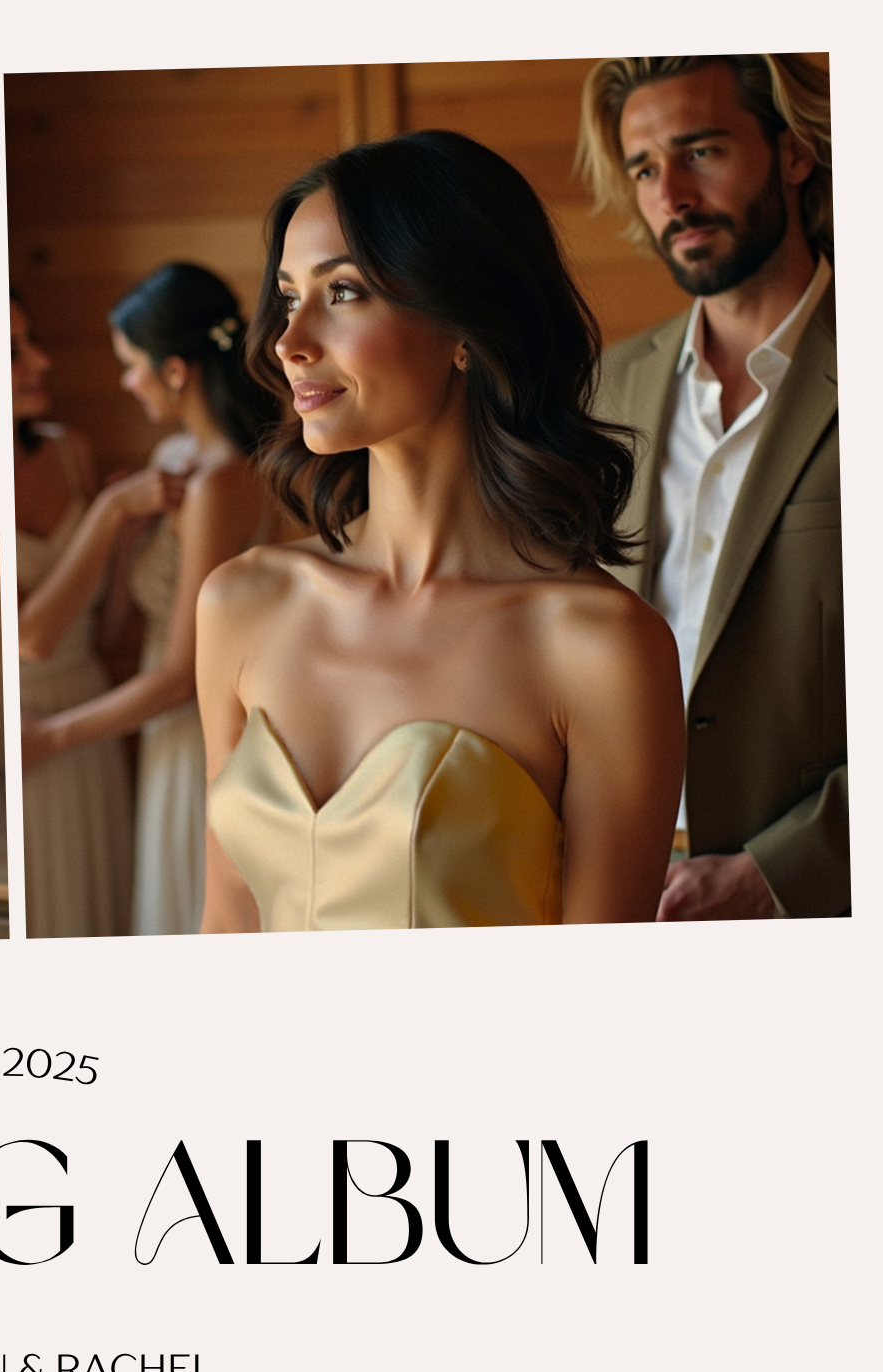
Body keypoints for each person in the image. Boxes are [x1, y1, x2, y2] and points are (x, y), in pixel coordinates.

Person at [197, 131, 686, 931]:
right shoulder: (240, 602)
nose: (290, 342)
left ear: (466, 324)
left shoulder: (600, 646)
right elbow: (226, 921)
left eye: (343, 291)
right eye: (288, 297)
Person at [577, 55, 843, 920]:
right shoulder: (606, 389)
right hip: (621, 886)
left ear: (794, 150)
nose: (673, 196)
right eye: (646, 169)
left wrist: (782, 873)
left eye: (702, 152)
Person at [18, 263, 278, 935]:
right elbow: (115, 631)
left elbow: (179, 678)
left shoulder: (221, 482)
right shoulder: (176, 460)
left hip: (198, 730)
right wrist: (126, 530)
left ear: (175, 370)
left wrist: (53, 734)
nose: (125, 382)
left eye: (131, 365)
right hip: (158, 731)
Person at [10, 296, 134, 938]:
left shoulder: (70, 452)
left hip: (86, 705)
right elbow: (31, 638)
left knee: (93, 903)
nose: (41, 361)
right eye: (13, 352)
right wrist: (109, 513)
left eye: (30, 341)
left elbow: (106, 629)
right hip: (21, 728)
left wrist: (125, 543)